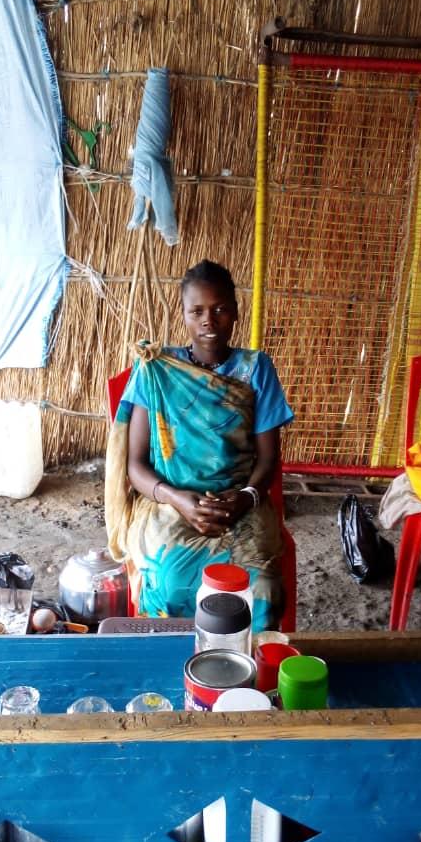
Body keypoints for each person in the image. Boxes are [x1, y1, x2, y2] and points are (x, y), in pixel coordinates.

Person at [105, 259, 294, 630]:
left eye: (220, 309)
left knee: (264, 591)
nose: (209, 320)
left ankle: (244, 674)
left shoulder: (256, 369)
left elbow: (269, 459)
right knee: (169, 583)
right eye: (198, 311)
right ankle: (177, 668)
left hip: (239, 501)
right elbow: (136, 466)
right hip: (168, 502)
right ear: (185, 315)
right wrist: (177, 499)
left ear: (236, 312)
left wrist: (245, 498)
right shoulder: (157, 371)